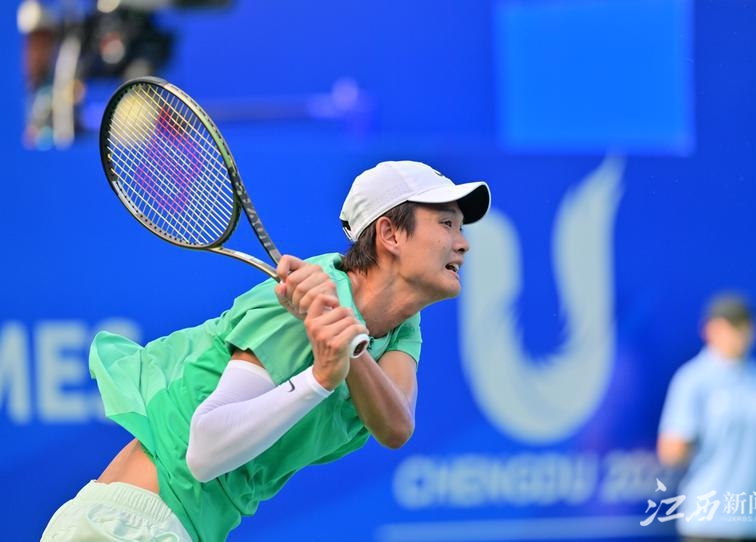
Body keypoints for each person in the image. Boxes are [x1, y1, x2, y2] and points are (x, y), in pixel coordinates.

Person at [40, 160, 491, 541]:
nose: (463, 242)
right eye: (446, 223)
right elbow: (205, 450)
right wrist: (319, 378)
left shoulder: (399, 325)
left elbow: (395, 426)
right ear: (390, 234)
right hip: (127, 525)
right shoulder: (297, 307)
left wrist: (348, 348)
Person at [657, 292, 756, 542]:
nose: (740, 333)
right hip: (709, 524)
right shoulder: (692, 379)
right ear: (710, 330)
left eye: (745, 325)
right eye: (732, 325)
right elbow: (671, 450)